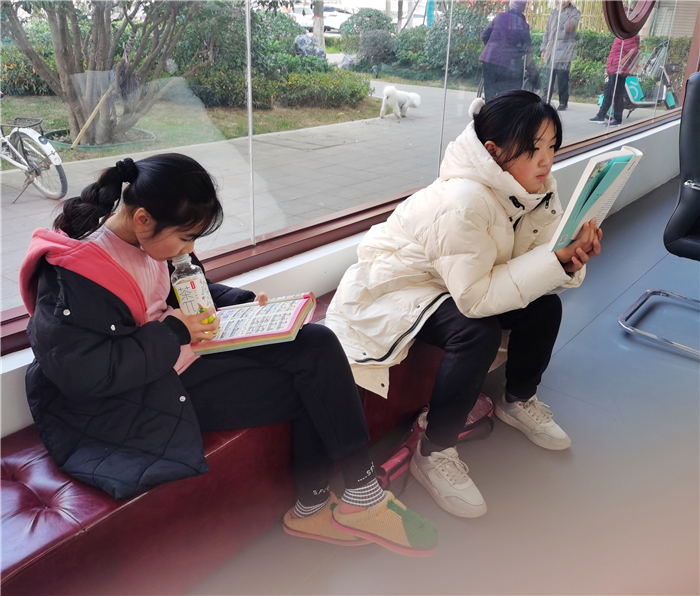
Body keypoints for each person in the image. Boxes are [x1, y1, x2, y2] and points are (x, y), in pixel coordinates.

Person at [19, 153, 437, 557]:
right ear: (143, 219)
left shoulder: (151, 242)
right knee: (311, 387)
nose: (189, 248)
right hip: (144, 393)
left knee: (317, 342)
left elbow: (188, 292)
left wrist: (245, 303)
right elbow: (86, 374)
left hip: (184, 354)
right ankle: (322, 505)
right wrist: (174, 332)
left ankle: (356, 491)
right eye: (187, 236)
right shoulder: (74, 277)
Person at [326, 91, 603, 519]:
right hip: (397, 285)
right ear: (493, 152)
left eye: (552, 146)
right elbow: (475, 300)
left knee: (545, 308)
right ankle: (434, 451)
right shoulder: (463, 201)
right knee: (477, 332)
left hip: (455, 278)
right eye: (533, 149)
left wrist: (569, 261)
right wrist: (554, 262)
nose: (547, 161)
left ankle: (518, 399)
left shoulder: (537, 190)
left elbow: (540, 263)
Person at [479, 0, 532, 100]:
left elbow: (484, 35)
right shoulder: (523, 24)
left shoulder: (500, 16)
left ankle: (488, 108)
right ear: (523, 7)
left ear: (511, 4)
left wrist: (490, 48)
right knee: (504, 98)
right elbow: (527, 47)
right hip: (507, 64)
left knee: (489, 97)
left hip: (489, 60)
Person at [590, 33, 640, 126]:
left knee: (617, 94)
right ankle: (601, 115)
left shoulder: (627, 35)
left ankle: (617, 118)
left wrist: (623, 66)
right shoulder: (622, 34)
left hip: (618, 69)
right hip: (615, 67)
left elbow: (632, 52)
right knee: (608, 93)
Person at [541, 0, 581, 111]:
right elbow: (547, 31)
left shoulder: (574, 12)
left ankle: (563, 102)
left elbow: (569, 28)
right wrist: (544, 48)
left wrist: (561, 14)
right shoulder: (553, 12)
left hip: (565, 51)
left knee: (562, 79)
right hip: (551, 51)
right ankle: (545, 101)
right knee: (548, 79)